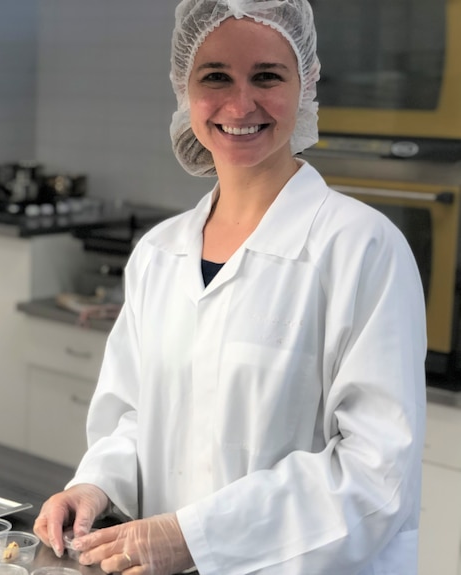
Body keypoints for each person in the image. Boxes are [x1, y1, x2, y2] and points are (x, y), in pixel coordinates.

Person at [33, 1, 427, 573]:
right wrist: (96, 486)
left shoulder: (362, 248)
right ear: (183, 89)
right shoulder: (160, 254)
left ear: (305, 85)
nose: (241, 105)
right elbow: (133, 416)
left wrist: (193, 538)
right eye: (215, 76)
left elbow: (375, 475)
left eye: (267, 76)